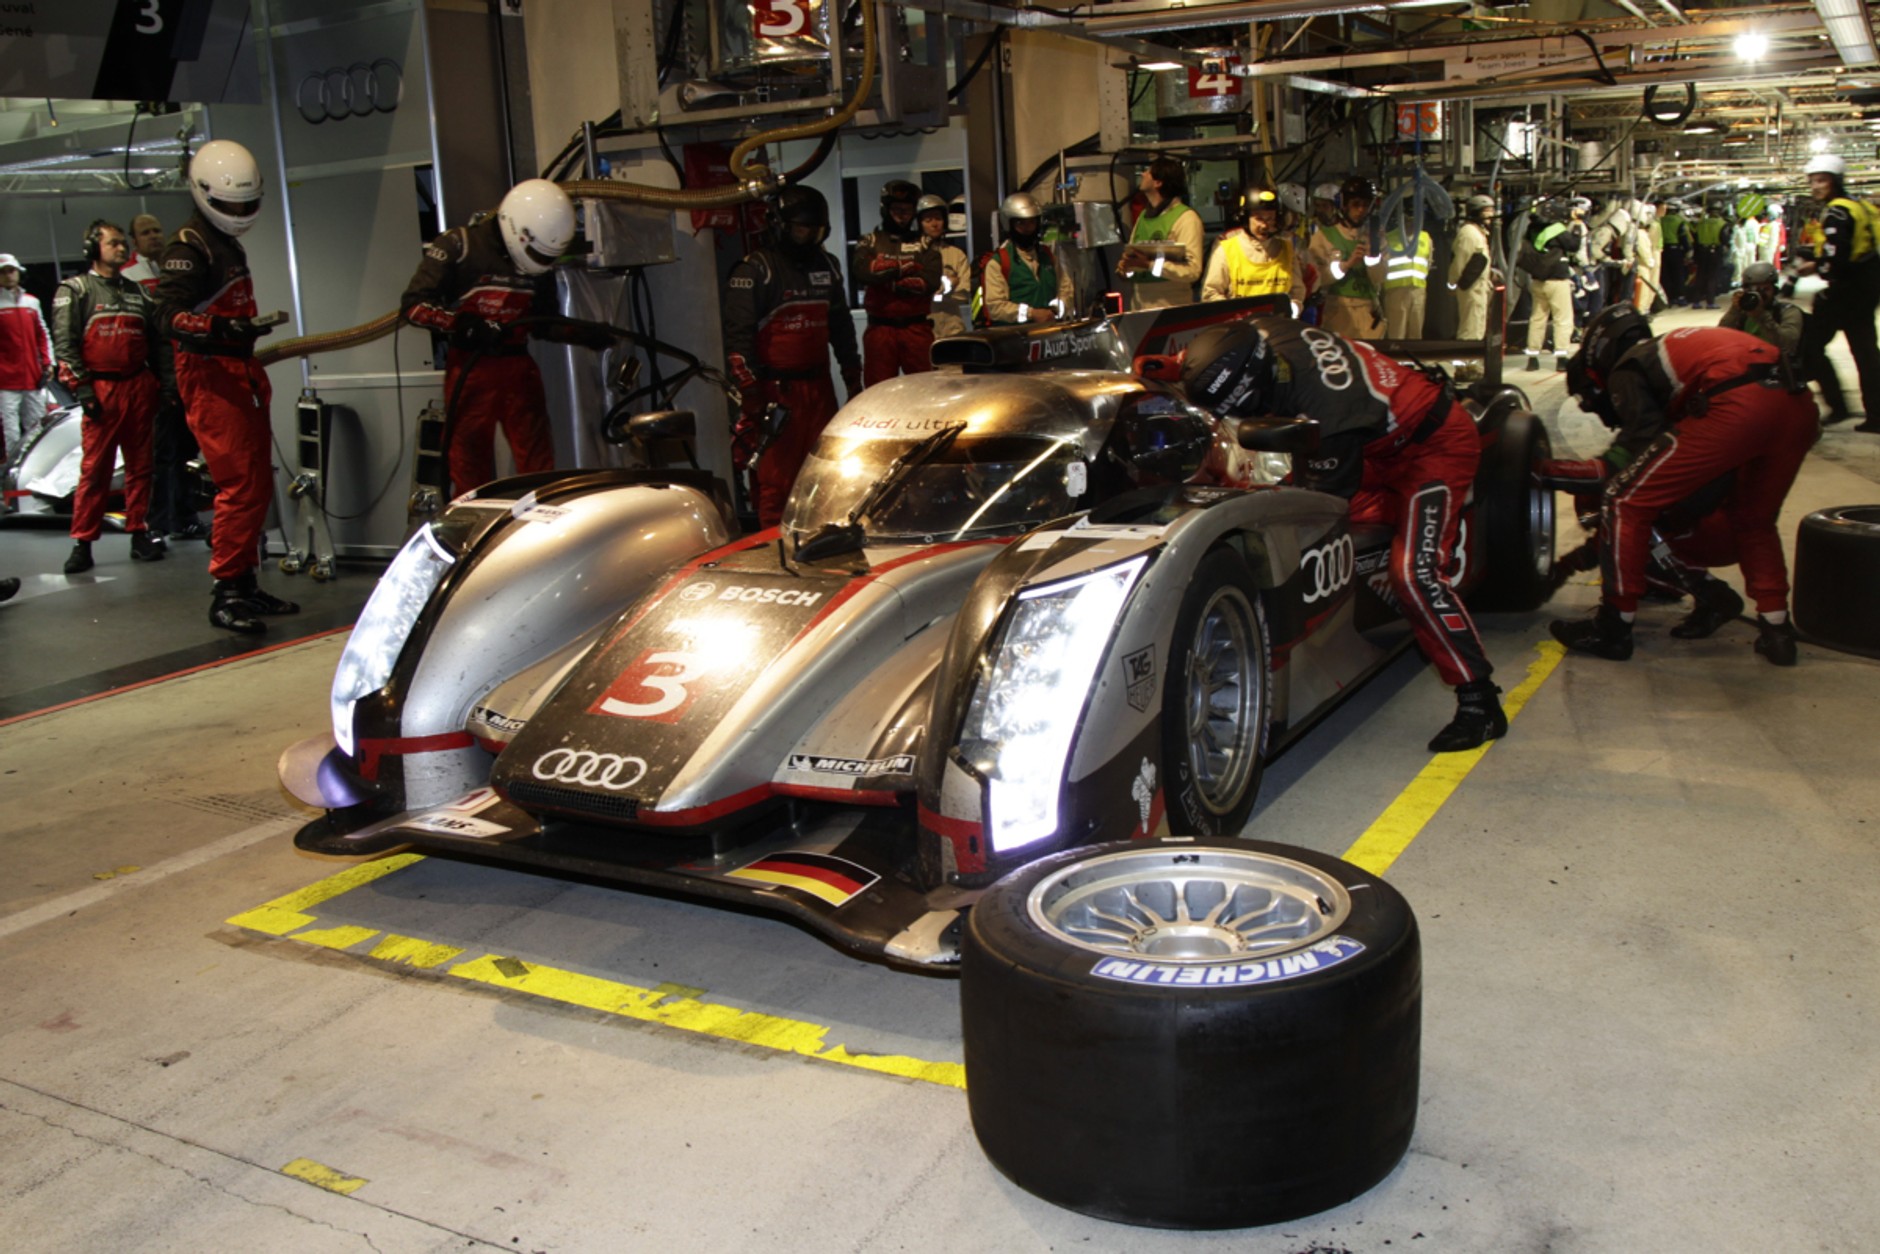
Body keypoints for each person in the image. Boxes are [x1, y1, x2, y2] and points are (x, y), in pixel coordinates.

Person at [1181, 317, 1506, 751]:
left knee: (1412, 572)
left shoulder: (1326, 410)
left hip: (1434, 446)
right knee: (1275, 502)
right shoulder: (1267, 337)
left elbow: (1316, 508)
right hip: (1377, 447)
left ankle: (1479, 701)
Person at [1548, 310, 1817, 666]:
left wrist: (1537, 471)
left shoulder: (1630, 366)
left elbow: (1627, 459)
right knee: (1754, 519)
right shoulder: (1677, 353)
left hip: (1740, 404)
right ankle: (1777, 631)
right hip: (1798, 407)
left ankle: (1613, 629)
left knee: (1624, 501)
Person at [155, 138, 300, 634]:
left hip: (239, 372)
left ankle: (245, 580)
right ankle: (226, 591)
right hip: (210, 377)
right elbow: (166, 317)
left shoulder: (225, 243)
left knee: (257, 479)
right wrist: (220, 330)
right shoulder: (188, 247)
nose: (239, 212)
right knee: (239, 483)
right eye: (230, 204)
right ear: (203, 194)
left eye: (246, 203)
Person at [402, 178, 587, 496]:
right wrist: (462, 325)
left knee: (539, 466)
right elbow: (413, 306)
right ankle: (474, 534)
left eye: (547, 258)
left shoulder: (539, 263)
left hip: (518, 366)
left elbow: (543, 322)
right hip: (471, 367)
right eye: (537, 254)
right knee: (469, 469)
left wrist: (582, 333)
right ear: (518, 230)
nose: (539, 263)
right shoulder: (459, 246)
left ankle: (541, 529)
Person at [723, 184, 862, 527]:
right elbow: (738, 336)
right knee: (776, 481)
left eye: (815, 230)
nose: (809, 236)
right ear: (781, 226)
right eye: (802, 228)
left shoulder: (827, 266)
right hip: (775, 393)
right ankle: (772, 547)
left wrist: (852, 373)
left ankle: (818, 540)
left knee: (824, 473)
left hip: (820, 388)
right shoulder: (756, 270)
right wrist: (751, 392)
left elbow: (841, 325)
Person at [50, 220, 165, 575]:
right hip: (100, 389)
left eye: (121, 243)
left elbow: (158, 344)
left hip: (138, 387)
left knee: (141, 467)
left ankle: (139, 532)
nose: (121, 248)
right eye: (113, 243)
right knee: (95, 471)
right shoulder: (75, 290)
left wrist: (164, 385)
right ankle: (83, 542)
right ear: (93, 249)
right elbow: (64, 344)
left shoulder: (139, 292)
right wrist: (82, 389)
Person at [1794, 153, 1880, 431]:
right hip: (1867, 287)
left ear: (1835, 182)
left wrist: (1818, 268)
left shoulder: (1836, 212)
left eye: (1822, 180)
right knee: (1867, 355)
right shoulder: (1861, 206)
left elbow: (1836, 255)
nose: (1816, 186)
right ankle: (1876, 415)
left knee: (1809, 346)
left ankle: (1838, 406)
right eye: (1813, 180)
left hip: (1845, 291)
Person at [854, 180, 940, 384]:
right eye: (896, 209)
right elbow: (862, 272)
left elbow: (930, 281)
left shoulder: (926, 243)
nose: (902, 214)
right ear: (885, 209)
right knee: (877, 395)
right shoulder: (868, 240)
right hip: (880, 331)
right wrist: (907, 267)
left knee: (928, 391)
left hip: (917, 329)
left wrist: (885, 276)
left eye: (907, 210)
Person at [1200, 184, 1304, 312]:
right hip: (1241, 327)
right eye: (1258, 218)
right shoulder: (1227, 248)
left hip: (1278, 326)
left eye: (1270, 218)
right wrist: (1233, 314)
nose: (1264, 225)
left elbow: (1297, 291)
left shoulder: (1287, 249)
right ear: (1245, 217)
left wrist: (1294, 307)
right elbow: (1210, 293)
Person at [1118, 156, 1204, 310]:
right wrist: (1126, 269)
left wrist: (1150, 265)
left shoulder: (1186, 218)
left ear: (1158, 182)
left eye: (1148, 172)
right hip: (1139, 309)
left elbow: (1192, 271)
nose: (1143, 174)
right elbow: (1135, 269)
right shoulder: (1143, 218)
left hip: (1171, 308)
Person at [1306, 177, 1384, 340]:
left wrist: (1372, 258)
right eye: (1356, 204)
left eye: (1365, 205)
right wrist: (1345, 266)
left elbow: (1379, 278)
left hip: (1369, 313)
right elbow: (1316, 280)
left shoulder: (1376, 237)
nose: (1361, 210)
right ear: (1344, 204)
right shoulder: (1323, 237)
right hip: (1338, 311)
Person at [979, 193, 1074, 326]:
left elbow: (1066, 289)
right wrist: (1031, 314)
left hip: (1048, 335)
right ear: (1009, 225)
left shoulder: (1047, 256)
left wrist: (1057, 307)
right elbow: (995, 306)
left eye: (1031, 222)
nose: (1027, 228)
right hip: (1014, 339)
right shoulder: (999, 262)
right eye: (1020, 223)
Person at [0, 253, 53, 466]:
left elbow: (43, 334)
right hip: (5, 382)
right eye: (2, 272)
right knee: (11, 432)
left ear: (18, 273)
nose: (7, 275)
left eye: (11, 270)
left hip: (33, 377)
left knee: (37, 428)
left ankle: (36, 468)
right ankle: (13, 474)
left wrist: (49, 363)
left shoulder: (32, 302)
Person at [1519, 197, 1579, 372]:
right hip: (1557, 281)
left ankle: (1532, 358)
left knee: (1537, 318)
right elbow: (1574, 245)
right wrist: (1576, 226)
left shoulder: (1531, 229)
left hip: (1538, 280)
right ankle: (1561, 357)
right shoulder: (1557, 229)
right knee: (1562, 319)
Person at [919, 194, 971, 340]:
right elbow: (916, 292)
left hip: (952, 327)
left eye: (938, 218)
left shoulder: (956, 254)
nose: (934, 224)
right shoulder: (913, 254)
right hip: (922, 327)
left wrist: (937, 293)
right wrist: (949, 285)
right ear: (919, 223)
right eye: (928, 220)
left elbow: (964, 293)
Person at [1380, 218, 1433, 339]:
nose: (1411, 223)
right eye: (1407, 220)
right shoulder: (1389, 238)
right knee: (1396, 333)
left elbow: (1428, 262)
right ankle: (1397, 358)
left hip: (1418, 291)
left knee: (1416, 332)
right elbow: (1382, 266)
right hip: (1396, 291)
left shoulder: (1425, 238)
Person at [1691, 202, 1730, 310]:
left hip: (1701, 251)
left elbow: (1695, 238)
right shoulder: (1722, 224)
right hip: (1715, 252)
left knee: (1700, 276)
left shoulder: (1701, 223)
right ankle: (1710, 302)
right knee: (1712, 277)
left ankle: (1696, 302)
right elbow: (1725, 239)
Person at [1658, 200, 1692, 306]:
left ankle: (1669, 298)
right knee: (1678, 275)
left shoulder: (1660, 220)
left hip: (1663, 250)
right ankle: (1680, 297)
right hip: (1676, 250)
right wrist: (1688, 251)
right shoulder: (1679, 221)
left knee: (1666, 275)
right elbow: (1683, 237)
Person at [1631, 201, 1662, 313]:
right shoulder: (1640, 233)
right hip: (1642, 265)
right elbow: (1644, 250)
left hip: (1641, 264)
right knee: (1643, 290)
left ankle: (1644, 309)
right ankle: (1642, 310)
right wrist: (1650, 262)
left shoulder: (1636, 231)